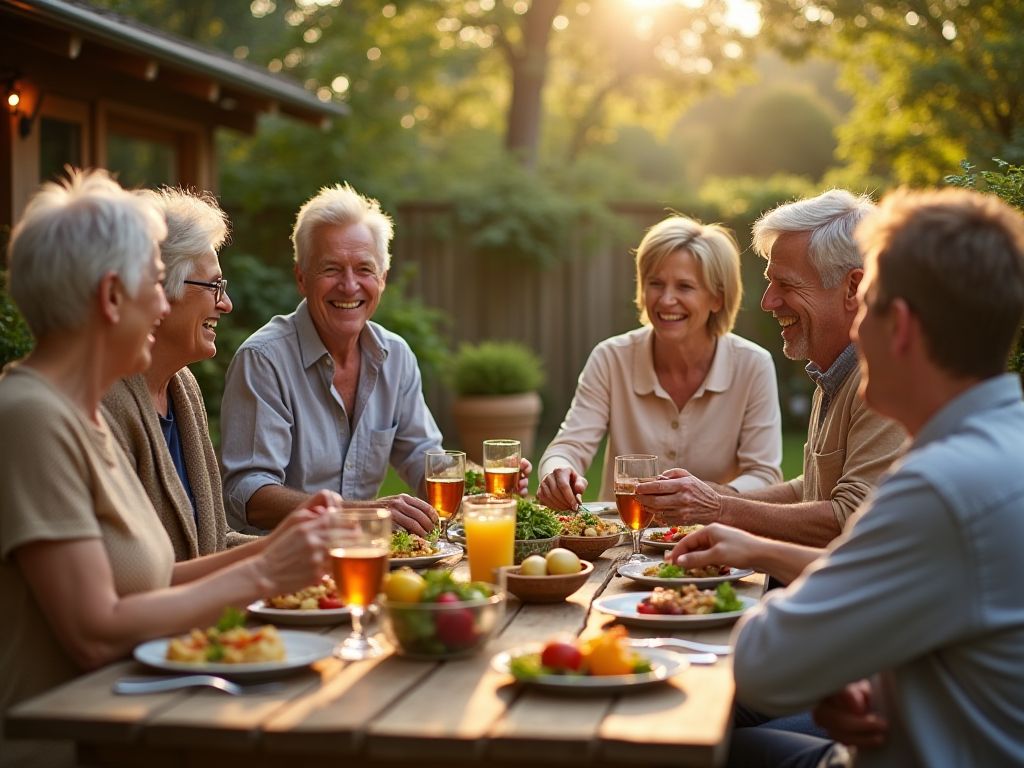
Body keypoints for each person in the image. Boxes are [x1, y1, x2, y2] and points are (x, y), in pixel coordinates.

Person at [669, 187, 1024, 766]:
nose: (858, 335)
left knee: (670, 742)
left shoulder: (939, 488)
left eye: (872, 307)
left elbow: (764, 664)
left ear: (900, 327)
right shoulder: (999, 447)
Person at [0, 170, 332, 767]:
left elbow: (152, 581)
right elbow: (95, 631)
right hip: (71, 748)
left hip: (147, 723)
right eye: (155, 285)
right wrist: (263, 576)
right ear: (110, 297)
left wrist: (283, 547)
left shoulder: (83, 416)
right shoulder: (28, 418)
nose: (161, 306)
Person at [220, 183, 529, 536]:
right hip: (280, 569)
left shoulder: (395, 357)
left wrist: (486, 480)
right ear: (302, 279)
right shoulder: (263, 360)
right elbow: (248, 493)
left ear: (382, 279)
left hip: (366, 560)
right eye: (331, 269)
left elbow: (423, 458)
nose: (350, 286)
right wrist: (362, 514)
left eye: (364, 269)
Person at [640, 190, 907, 547]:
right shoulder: (835, 372)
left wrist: (718, 508)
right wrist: (710, 496)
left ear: (853, 287)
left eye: (786, 284)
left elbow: (850, 518)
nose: (768, 301)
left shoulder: (884, 379)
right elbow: (809, 489)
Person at [537, 214, 783, 509]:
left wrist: (707, 498)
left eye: (684, 287)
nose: (666, 300)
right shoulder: (611, 358)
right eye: (655, 283)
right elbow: (569, 446)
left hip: (712, 539)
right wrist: (557, 472)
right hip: (624, 538)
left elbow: (765, 474)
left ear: (717, 298)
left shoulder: (753, 365)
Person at [101, 187, 253, 560]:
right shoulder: (104, 403)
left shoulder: (183, 386)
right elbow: (131, 580)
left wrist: (326, 542)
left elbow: (210, 546)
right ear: (160, 288)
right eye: (214, 286)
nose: (226, 304)